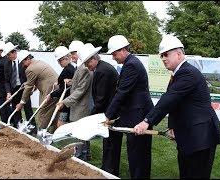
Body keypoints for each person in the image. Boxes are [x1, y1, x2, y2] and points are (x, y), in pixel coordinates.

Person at [133, 34, 220, 179]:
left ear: (179, 54)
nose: (163, 59)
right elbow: (175, 104)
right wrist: (172, 127)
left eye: (166, 55)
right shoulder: (179, 74)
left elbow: (169, 99)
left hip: (200, 138)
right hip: (190, 136)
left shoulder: (187, 73)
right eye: (161, 56)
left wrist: (146, 121)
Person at [104, 35, 154, 179]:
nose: (113, 57)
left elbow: (122, 93)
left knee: (138, 153)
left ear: (123, 50)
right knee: (138, 152)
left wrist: (108, 116)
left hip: (138, 114)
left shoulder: (131, 64)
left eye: (114, 54)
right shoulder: (131, 63)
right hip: (135, 113)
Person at [80, 43, 121, 176]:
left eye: (87, 63)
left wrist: (91, 116)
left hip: (110, 113)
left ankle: (109, 171)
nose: (87, 66)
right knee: (108, 142)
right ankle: (107, 168)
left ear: (93, 59)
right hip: (109, 111)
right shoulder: (102, 68)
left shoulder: (102, 71)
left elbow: (101, 99)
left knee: (110, 143)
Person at [56, 41, 93, 161]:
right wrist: (71, 82)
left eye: (73, 53)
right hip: (79, 104)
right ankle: (84, 154)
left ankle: (81, 156)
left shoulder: (84, 68)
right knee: (82, 131)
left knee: (80, 132)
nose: (72, 56)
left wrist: (65, 102)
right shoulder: (80, 67)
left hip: (82, 105)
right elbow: (78, 84)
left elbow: (80, 90)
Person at [15, 50, 59, 133]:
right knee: (53, 113)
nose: (23, 65)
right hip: (56, 89)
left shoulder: (30, 69)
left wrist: (22, 102)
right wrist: (32, 87)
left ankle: (41, 134)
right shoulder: (39, 62)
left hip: (50, 90)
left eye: (23, 63)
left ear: (27, 59)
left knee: (43, 113)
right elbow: (40, 79)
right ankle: (52, 134)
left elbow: (28, 87)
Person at [1, 42, 35, 131]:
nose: (7, 57)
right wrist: (8, 92)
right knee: (16, 109)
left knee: (28, 108)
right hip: (14, 89)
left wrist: (31, 87)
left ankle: (32, 128)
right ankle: (19, 127)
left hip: (24, 88)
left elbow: (32, 75)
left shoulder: (24, 60)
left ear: (14, 52)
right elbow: (6, 80)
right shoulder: (7, 63)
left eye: (8, 55)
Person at [46, 46, 75, 127]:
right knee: (62, 123)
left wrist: (51, 95)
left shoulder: (69, 70)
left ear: (66, 58)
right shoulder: (69, 68)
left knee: (60, 124)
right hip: (67, 100)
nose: (59, 63)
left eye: (60, 60)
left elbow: (64, 89)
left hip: (66, 100)